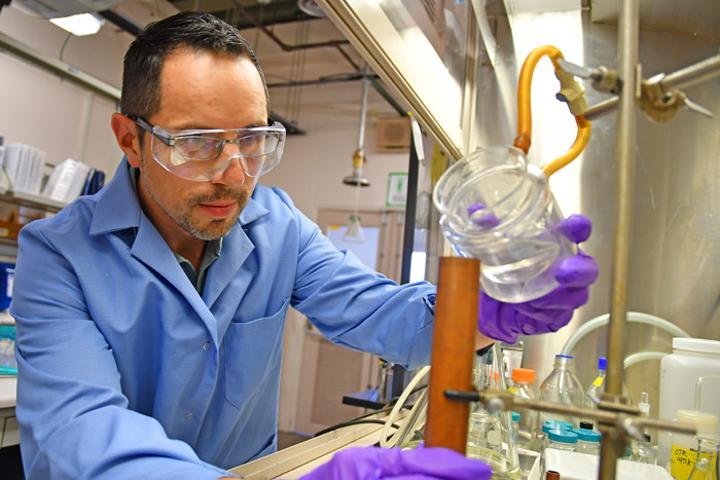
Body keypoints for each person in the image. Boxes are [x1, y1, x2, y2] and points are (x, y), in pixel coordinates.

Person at [10, 12, 597, 480]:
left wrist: (485, 313)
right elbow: (80, 431)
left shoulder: (275, 224)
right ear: (130, 141)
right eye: (199, 144)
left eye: (253, 140)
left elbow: (380, 313)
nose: (235, 175)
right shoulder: (58, 255)